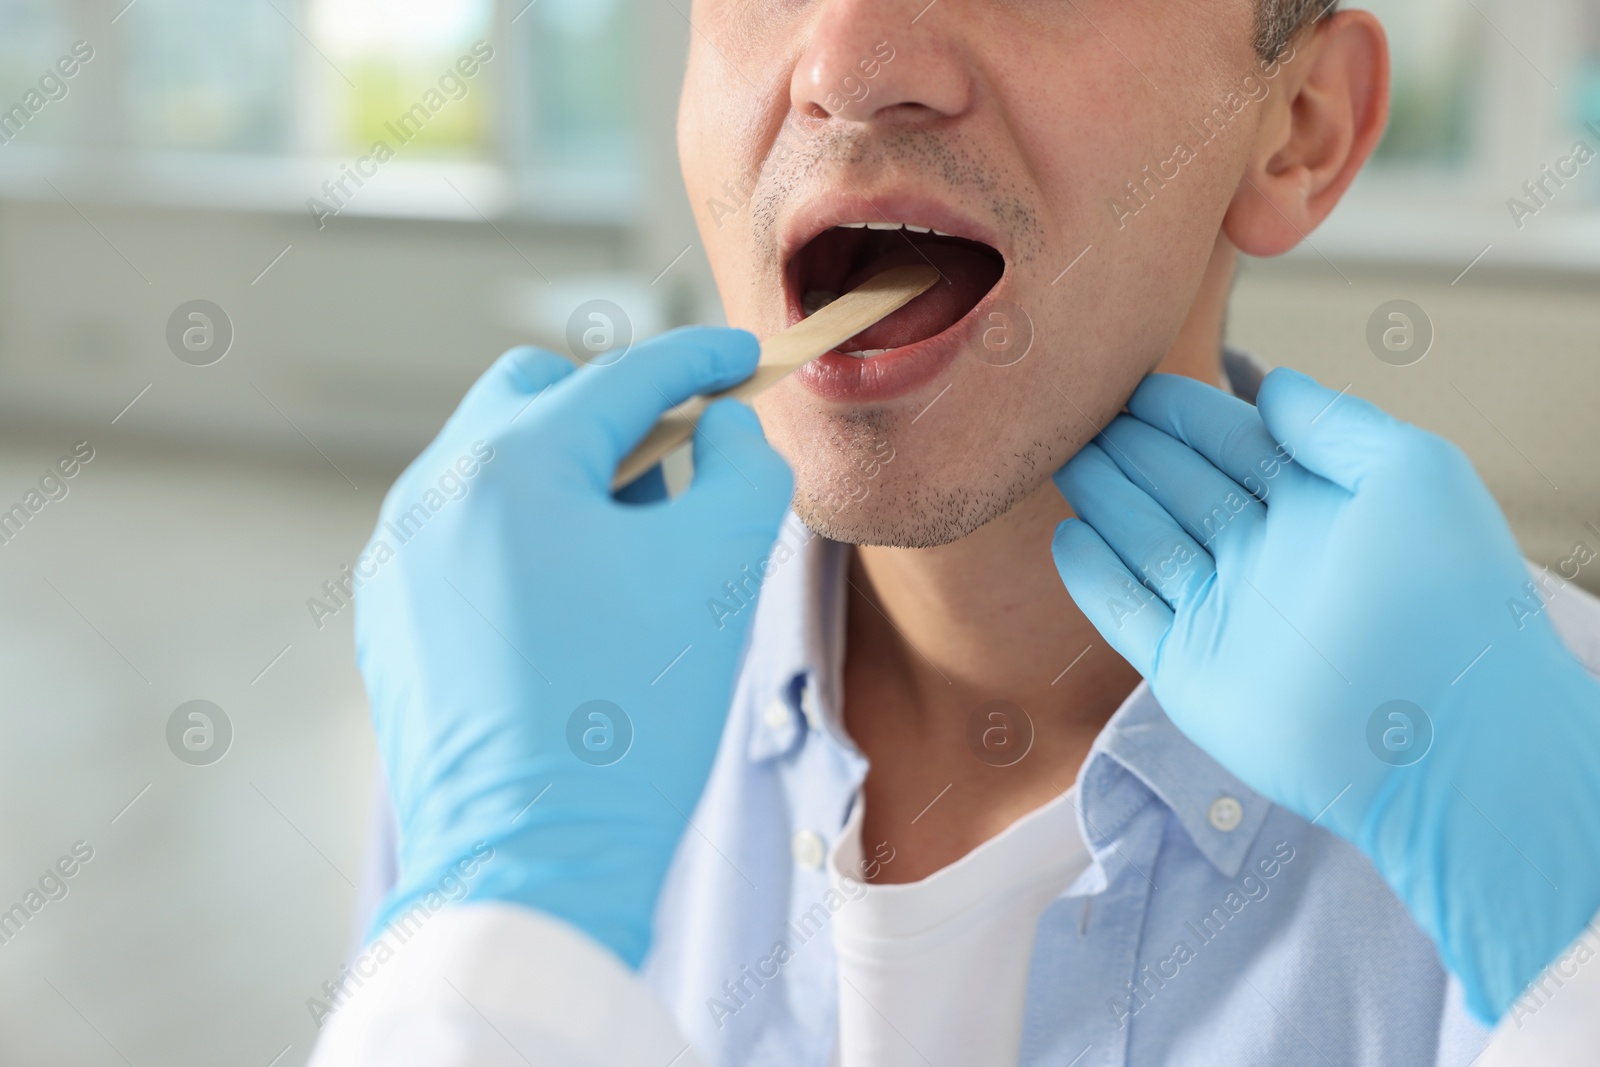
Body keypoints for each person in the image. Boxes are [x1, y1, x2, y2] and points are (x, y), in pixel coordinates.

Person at [310, 1, 1600, 1064]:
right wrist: (492, 924)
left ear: (1298, 131)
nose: (850, 66)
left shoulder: (1543, 795)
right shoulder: (532, 715)